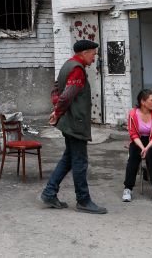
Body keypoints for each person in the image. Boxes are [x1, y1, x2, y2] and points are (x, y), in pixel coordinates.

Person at [39, 39, 107, 214]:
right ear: (84, 53)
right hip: (75, 124)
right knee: (79, 162)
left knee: (69, 159)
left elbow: (55, 90)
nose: (94, 58)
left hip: (68, 122)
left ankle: (49, 192)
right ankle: (83, 200)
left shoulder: (67, 65)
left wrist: (57, 111)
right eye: (93, 54)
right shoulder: (77, 69)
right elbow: (66, 97)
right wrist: (58, 112)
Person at [121, 89, 152, 204]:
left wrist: (147, 148)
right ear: (143, 102)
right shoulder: (133, 114)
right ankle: (127, 189)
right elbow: (133, 134)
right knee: (133, 157)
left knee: (151, 156)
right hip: (139, 141)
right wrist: (142, 147)